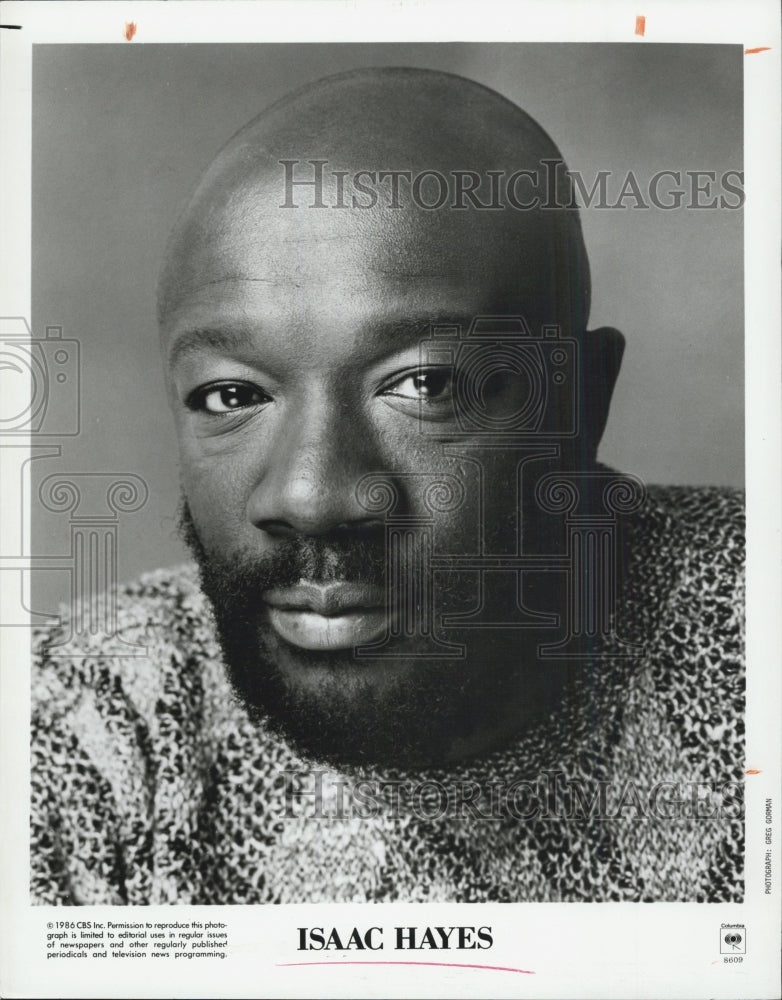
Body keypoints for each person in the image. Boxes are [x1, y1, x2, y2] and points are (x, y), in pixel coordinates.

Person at [31, 67, 744, 905]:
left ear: (580, 404)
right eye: (233, 395)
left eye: (426, 385)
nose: (309, 496)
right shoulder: (84, 725)